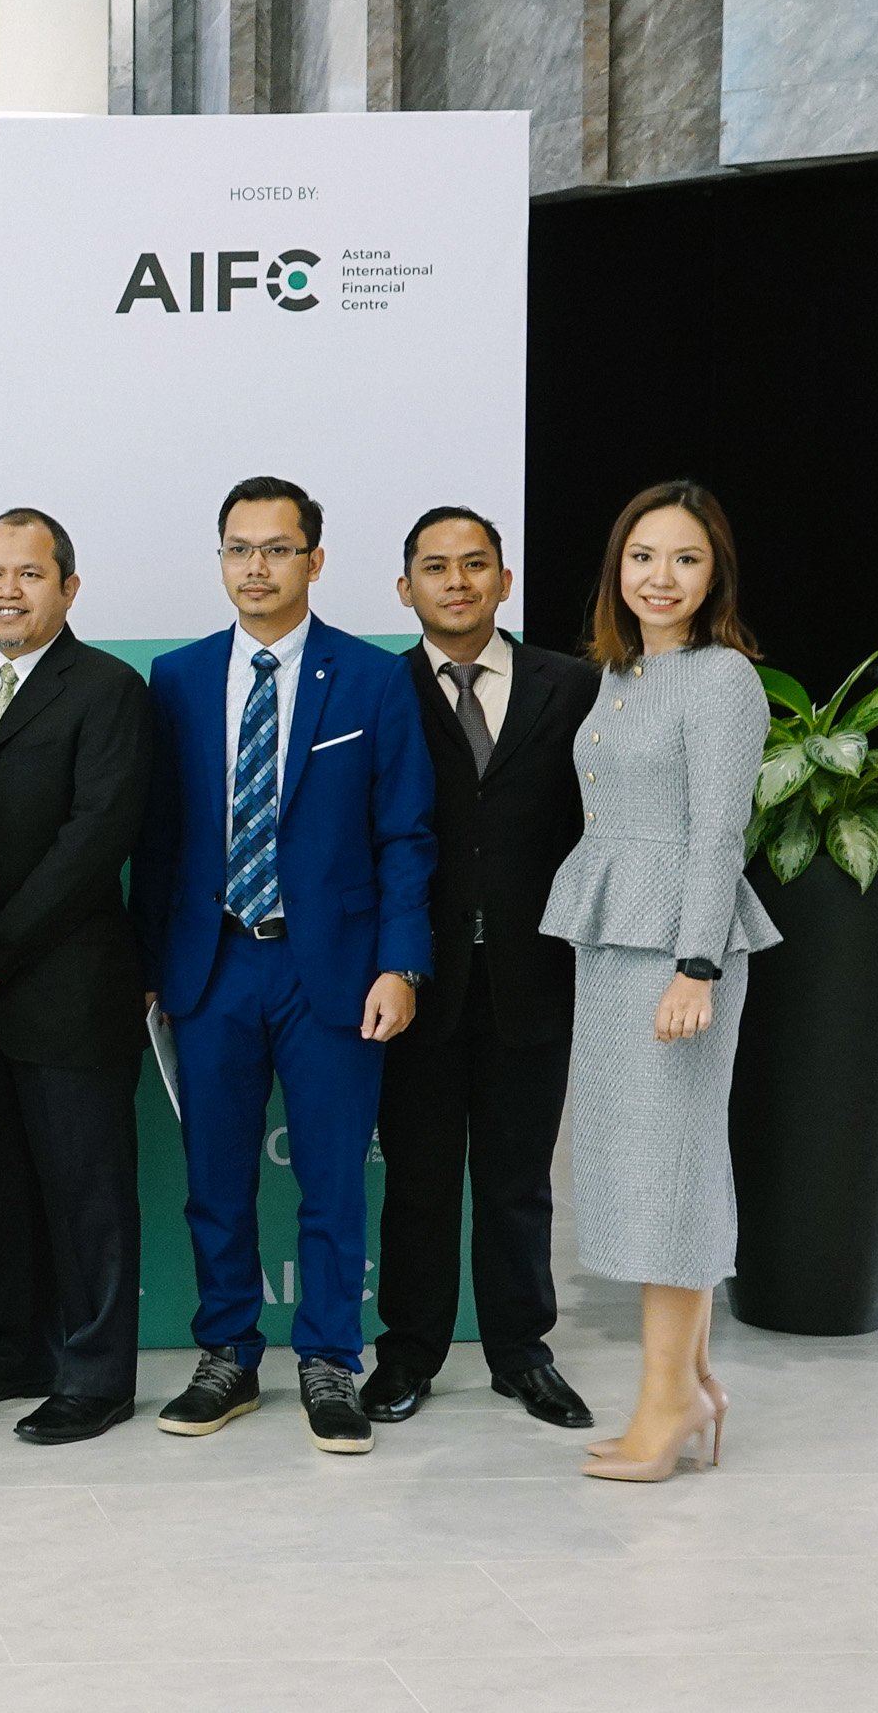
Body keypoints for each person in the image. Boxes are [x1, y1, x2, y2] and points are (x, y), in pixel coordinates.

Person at [133, 475, 435, 1456]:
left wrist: (400, 965)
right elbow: (155, 835)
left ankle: (328, 1360)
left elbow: (404, 834)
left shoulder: (371, 677)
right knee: (214, 1179)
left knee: (333, 1179)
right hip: (211, 963)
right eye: (238, 548)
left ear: (314, 558)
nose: (254, 566)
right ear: (220, 559)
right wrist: (149, 963)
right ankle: (225, 1354)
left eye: (275, 548)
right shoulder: (176, 677)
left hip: (332, 971)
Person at [541, 481, 778, 1482]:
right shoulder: (623, 671)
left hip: (676, 952)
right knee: (641, 1169)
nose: (660, 577)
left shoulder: (721, 679)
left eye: (685, 558)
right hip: (613, 943)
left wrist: (695, 966)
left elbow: (718, 833)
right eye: (643, 556)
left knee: (671, 1175)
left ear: (714, 573)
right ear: (617, 567)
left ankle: (667, 1402)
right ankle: (694, 1385)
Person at [0, 509, 151, 1445]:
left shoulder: (110, 688)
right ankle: (13, 1351)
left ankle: (97, 1375)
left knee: (88, 1193)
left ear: (68, 587)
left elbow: (95, 839)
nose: (7, 590)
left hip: (67, 988)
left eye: (30, 574)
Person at [363, 507, 600, 1431]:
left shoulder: (571, 685)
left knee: (518, 1181)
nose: (456, 581)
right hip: (415, 979)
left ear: (506, 580)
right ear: (405, 588)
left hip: (533, 973)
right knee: (417, 1181)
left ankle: (522, 1352)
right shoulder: (377, 689)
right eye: (435, 567)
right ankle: (408, 1353)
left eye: (474, 564)